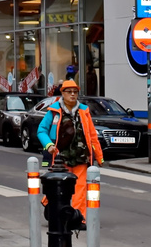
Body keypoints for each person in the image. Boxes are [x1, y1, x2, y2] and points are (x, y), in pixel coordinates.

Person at [36, 79, 104, 226]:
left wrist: (99, 156)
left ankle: (78, 218)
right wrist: (49, 145)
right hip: (62, 158)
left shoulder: (84, 111)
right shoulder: (54, 111)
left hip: (81, 157)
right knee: (60, 187)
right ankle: (49, 203)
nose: (73, 95)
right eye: (69, 92)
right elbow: (41, 130)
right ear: (63, 93)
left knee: (80, 188)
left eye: (75, 92)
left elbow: (92, 135)